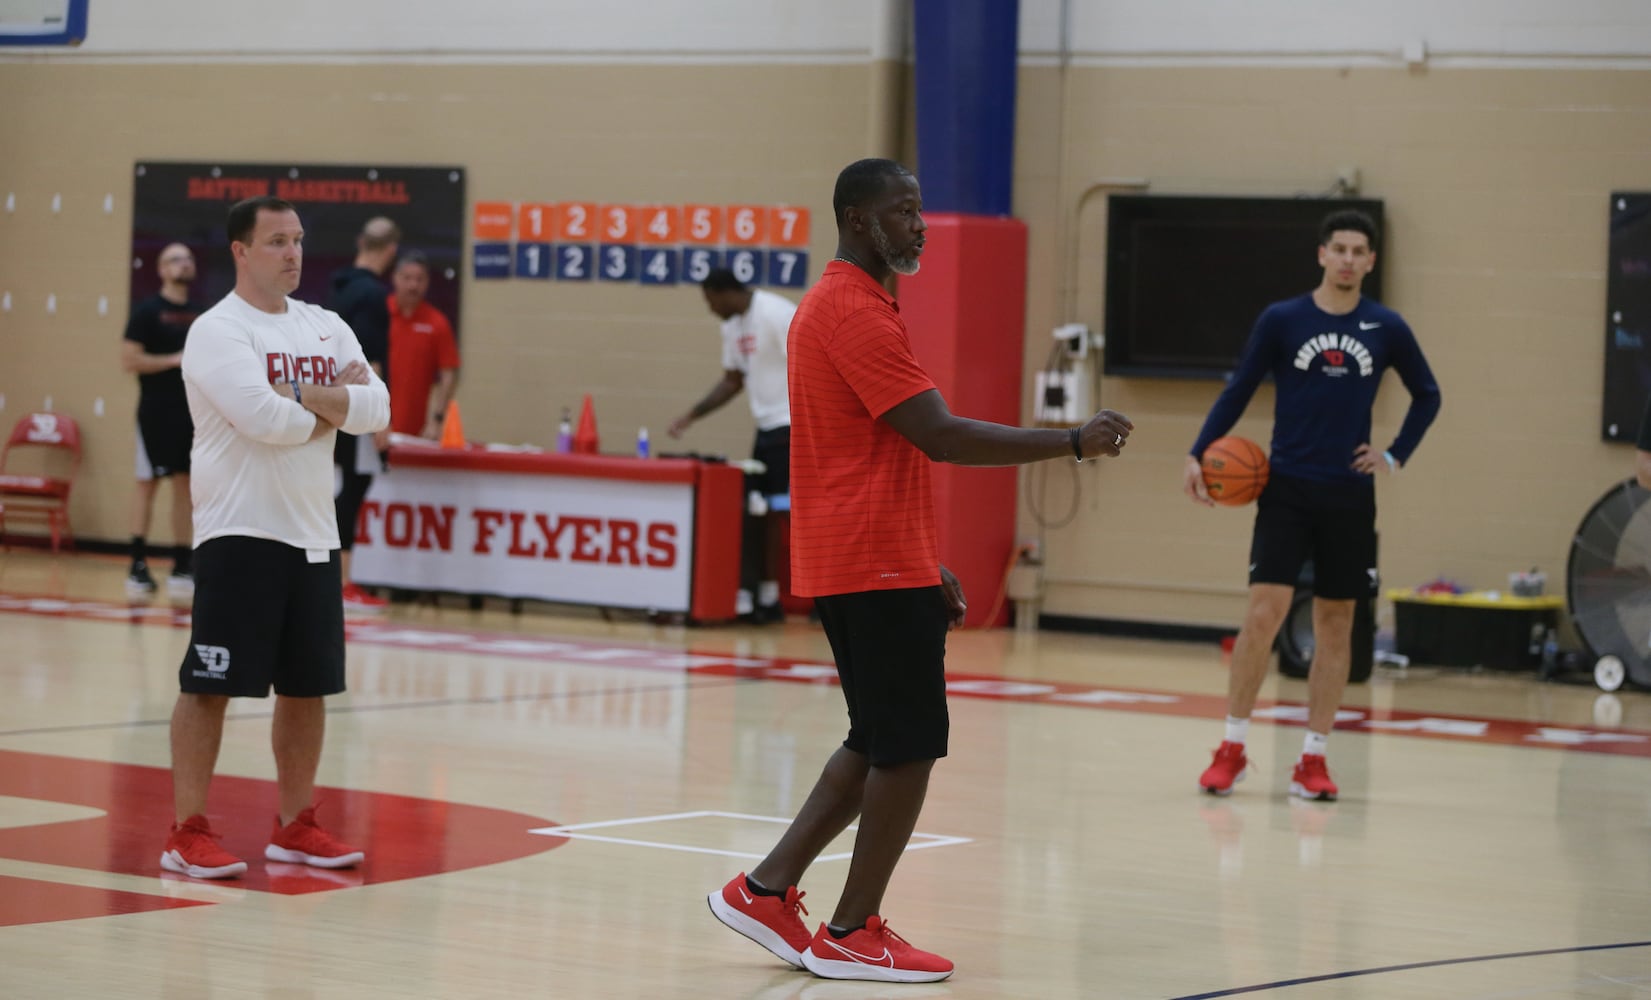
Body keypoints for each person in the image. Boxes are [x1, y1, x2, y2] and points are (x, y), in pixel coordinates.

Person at [706, 158, 1134, 983]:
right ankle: (851, 931)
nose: (919, 225)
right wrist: (1069, 442)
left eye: (920, 210)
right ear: (859, 220)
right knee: (907, 747)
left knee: (873, 740)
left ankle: (763, 890)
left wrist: (919, 558)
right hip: (865, 562)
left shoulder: (850, 304)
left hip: (869, 555)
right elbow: (938, 434)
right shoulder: (849, 311)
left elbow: (870, 450)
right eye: (903, 212)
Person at [159, 195, 390, 879]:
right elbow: (264, 419)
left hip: (314, 535)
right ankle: (186, 832)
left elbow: (375, 407)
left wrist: (301, 396)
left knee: (307, 686)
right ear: (240, 250)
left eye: (297, 240)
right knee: (211, 684)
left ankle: (295, 826)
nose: (293, 253)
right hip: (239, 533)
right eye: (276, 242)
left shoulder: (325, 324)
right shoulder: (217, 330)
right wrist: (328, 404)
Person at [1185, 209, 1442, 803]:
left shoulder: (1386, 326)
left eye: (1360, 251)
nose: (1349, 258)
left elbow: (1428, 395)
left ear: (1371, 262)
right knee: (1262, 616)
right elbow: (1239, 387)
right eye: (1340, 249)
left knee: (1337, 625)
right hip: (1286, 488)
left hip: (1349, 494)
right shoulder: (1283, 320)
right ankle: (1232, 747)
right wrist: (1198, 453)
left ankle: (1313, 760)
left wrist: (1393, 456)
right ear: (1322, 254)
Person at [668, 268, 796, 622]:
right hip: (766, 429)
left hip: (794, 427)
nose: (710, 310)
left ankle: (824, 600)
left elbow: (812, 360)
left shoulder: (775, 313)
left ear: (723, 292)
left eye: (710, 301)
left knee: (794, 515)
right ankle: (768, 599)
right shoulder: (732, 326)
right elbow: (732, 380)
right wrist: (692, 415)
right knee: (761, 513)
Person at [120, 243, 203, 598]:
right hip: (154, 412)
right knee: (147, 484)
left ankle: (182, 563)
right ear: (161, 269)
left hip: (190, 413)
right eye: (174, 259)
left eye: (187, 258)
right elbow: (130, 361)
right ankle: (137, 564)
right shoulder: (147, 312)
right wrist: (172, 360)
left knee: (186, 487)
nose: (182, 264)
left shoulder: (202, 315)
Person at [326, 216, 399, 611]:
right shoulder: (372, 295)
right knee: (352, 491)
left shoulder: (338, 289)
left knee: (345, 489)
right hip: (358, 407)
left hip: (333, 403)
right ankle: (341, 583)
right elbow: (370, 363)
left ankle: (337, 580)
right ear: (390, 251)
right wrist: (381, 419)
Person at [385, 250, 460, 439]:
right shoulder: (380, 313)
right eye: (407, 278)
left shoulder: (437, 323)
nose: (413, 285)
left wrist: (437, 419)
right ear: (395, 278)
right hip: (374, 424)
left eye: (420, 279)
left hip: (416, 430)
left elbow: (448, 374)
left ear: (427, 282)